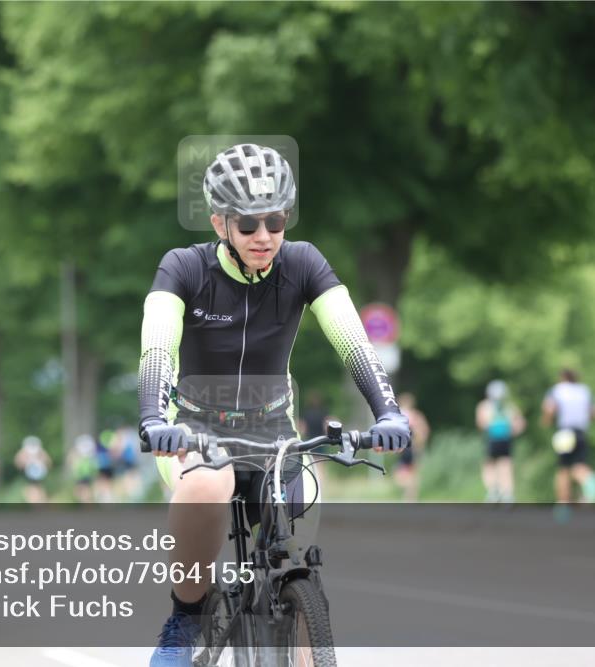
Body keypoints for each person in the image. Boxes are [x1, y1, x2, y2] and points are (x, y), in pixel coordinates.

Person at [137, 143, 411, 666]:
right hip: (195, 433)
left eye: (276, 221)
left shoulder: (304, 263)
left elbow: (354, 341)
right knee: (209, 481)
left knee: (297, 542)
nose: (264, 236)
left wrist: (388, 412)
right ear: (220, 224)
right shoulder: (183, 268)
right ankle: (185, 617)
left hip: (276, 437)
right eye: (248, 225)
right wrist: (154, 417)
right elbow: (157, 348)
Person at [542, 369, 595, 503]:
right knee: (579, 465)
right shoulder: (584, 390)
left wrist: (546, 421)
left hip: (565, 432)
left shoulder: (558, 389)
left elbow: (549, 408)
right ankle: (591, 482)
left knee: (563, 469)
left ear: (562, 377)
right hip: (581, 431)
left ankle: (563, 503)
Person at [475, 380, 524, 503]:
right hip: (506, 440)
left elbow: (480, 423)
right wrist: (512, 431)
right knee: (506, 465)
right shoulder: (509, 406)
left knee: (489, 465)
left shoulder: (485, 406)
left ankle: (493, 491)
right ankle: (507, 493)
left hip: (491, 439)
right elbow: (520, 423)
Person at [394, 393, 430, 502]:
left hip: (409, 448)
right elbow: (424, 431)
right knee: (408, 474)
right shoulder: (414, 415)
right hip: (408, 448)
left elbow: (422, 431)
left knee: (408, 474)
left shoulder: (407, 416)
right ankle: (410, 497)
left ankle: (410, 498)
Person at [14, 435, 52, 503]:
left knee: (36, 488)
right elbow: (18, 462)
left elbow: (48, 462)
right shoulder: (24, 452)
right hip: (29, 474)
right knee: (32, 488)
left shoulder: (40, 452)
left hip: (37, 474)